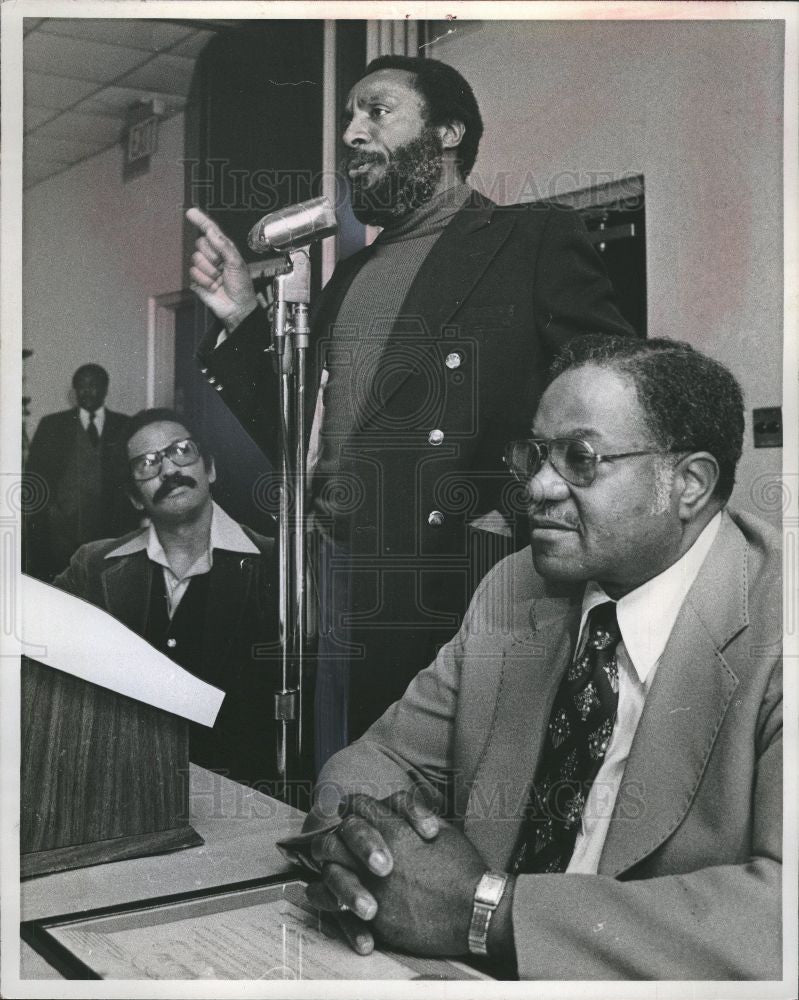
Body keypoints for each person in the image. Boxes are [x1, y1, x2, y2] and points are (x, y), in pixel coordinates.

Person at [186, 55, 636, 770]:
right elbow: (304, 432)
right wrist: (243, 315)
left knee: (451, 793)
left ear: (448, 132)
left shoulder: (528, 239)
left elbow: (614, 396)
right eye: (346, 118)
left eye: (376, 111)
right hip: (341, 575)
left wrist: (515, 509)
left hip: (460, 574)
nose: (351, 133)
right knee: (353, 775)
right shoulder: (351, 276)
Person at [298, 336, 782, 981]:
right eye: (535, 455)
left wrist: (488, 915)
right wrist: (365, 852)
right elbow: (373, 762)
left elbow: (781, 916)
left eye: (580, 459)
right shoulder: (516, 586)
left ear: (689, 484)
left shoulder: (784, 618)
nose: (537, 488)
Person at [54, 408, 288, 790]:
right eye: (147, 464)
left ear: (209, 469)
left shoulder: (277, 565)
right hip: (122, 791)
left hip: (241, 801)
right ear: (134, 496)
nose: (167, 470)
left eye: (182, 451)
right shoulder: (92, 566)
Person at [24, 363, 136, 581]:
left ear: (105, 388)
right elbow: (33, 476)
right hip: (59, 532)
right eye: (81, 386)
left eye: (93, 385)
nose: (87, 391)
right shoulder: (52, 425)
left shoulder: (125, 425)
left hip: (110, 530)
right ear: (74, 391)